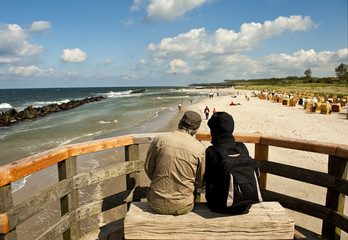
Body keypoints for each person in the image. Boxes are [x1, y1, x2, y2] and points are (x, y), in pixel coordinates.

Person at [144, 111, 205, 215]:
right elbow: (200, 181)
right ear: (196, 130)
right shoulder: (200, 148)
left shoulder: (160, 140)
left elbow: (148, 168)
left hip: (156, 203)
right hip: (184, 206)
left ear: (180, 122)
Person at [204, 112, 250, 213]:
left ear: (213, 131)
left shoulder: (212, 151)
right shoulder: (241, 147)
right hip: (245, 204)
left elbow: (206, 178)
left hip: (219, 205)